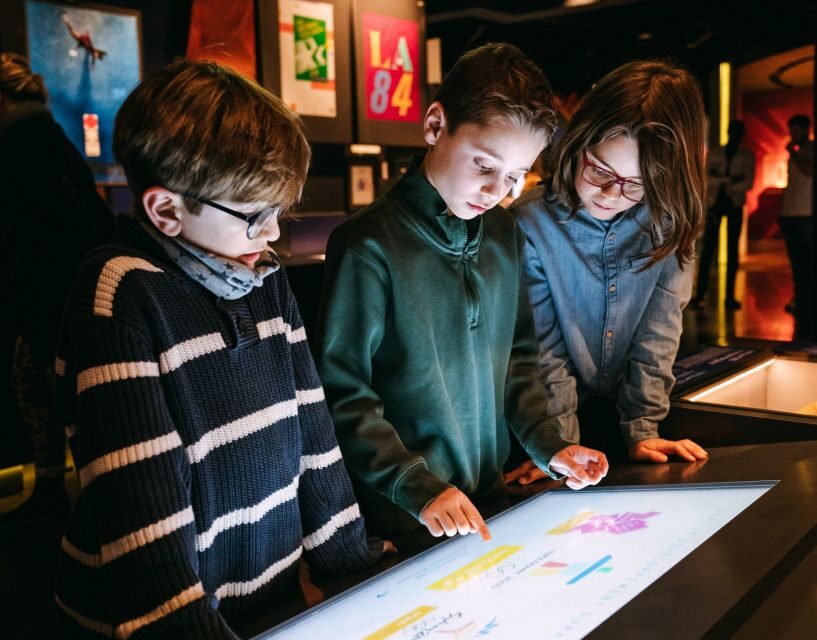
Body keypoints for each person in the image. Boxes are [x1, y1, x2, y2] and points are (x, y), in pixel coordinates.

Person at [54, 60, 389, 639]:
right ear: (166, 211)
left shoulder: (266, 279)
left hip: (268, 601)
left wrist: (353, 570)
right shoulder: (118, 297)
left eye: (278, 214)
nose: (274, 235)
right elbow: (146, 526)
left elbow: (313, 435)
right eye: (255, 217)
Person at [316, 43, 608, 542]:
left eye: (516, 176)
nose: (498, 191)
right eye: (484, 165)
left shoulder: (504, 234)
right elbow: (342, 394)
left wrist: (549, 445)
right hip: (404, 517)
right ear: (435, 126)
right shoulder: (367, 245)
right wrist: (415, 486)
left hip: (488, 504)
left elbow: (518, 360)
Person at [510, 60, 709, 472]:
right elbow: (544, 347)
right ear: (578, 142)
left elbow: (660, 328)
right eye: (600, 169)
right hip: (541, 416)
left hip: (623, 411)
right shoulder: (531, 221)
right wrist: (559, 444)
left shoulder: (668, 222)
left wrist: (644, 426)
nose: (610, 194)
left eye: (635, 184)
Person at [0, 52, 114, 524]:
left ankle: (60, 495)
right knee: (61, 392)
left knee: (43, 388)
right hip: (72, 287)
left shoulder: (18, 144)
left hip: (47, 291)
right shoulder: (51, 139)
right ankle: (73, 493)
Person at [692, 120, 755, 311]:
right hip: (715, 203)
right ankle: (701, 294)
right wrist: (731, 180)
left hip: (733, 204)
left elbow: (748, 183)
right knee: (708, 249)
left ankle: (729, 296)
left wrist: (720, 179)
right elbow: (707, 178)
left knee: (732, 251)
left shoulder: (746, 156)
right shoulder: (716, 153)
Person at [779, 114, 814, 338]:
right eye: (791, 130)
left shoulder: (809, 149)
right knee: (794, 259)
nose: (793, 134)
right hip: (790, 211)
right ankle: (798, 297)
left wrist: (793, 151)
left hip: (804, 212)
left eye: (796, 130)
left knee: (806, 258)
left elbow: (810, 171)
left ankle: (806, 300)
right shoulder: (797, 150)